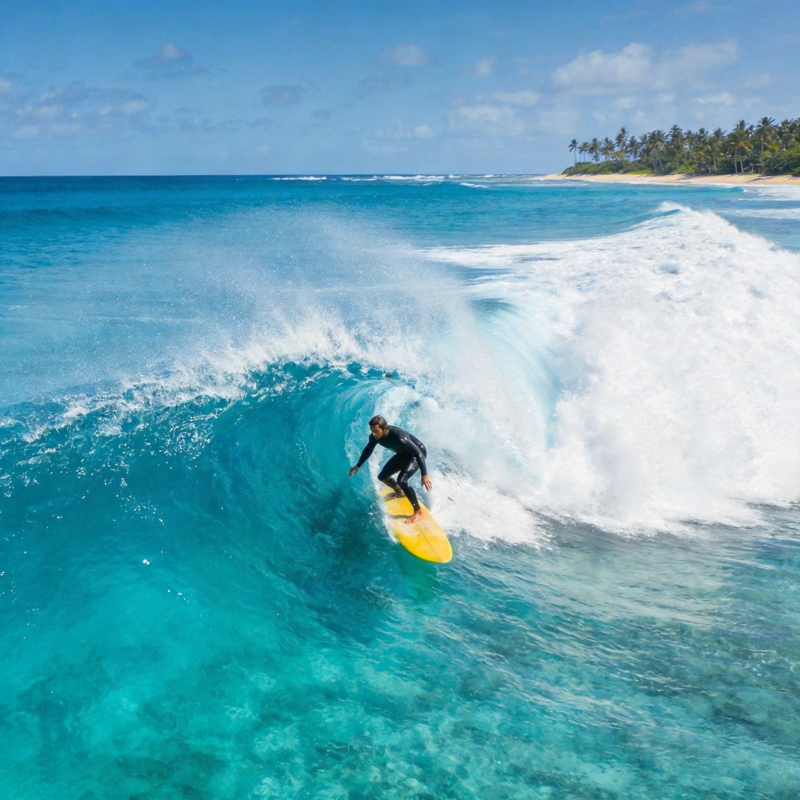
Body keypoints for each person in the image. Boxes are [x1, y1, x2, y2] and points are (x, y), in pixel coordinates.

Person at [349, 415, 432, 524]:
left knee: (402, 480)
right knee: (382, 477)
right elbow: (368, 450)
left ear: (384, 428)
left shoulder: (399, 438)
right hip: (403, 454)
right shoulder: (374, 437)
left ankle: (418, 512)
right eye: (372, 431)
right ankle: (399, 492)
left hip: (416, 455)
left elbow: (419, 454)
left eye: (377, 431)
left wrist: (424, 474)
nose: (374, 434)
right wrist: (358, 465)